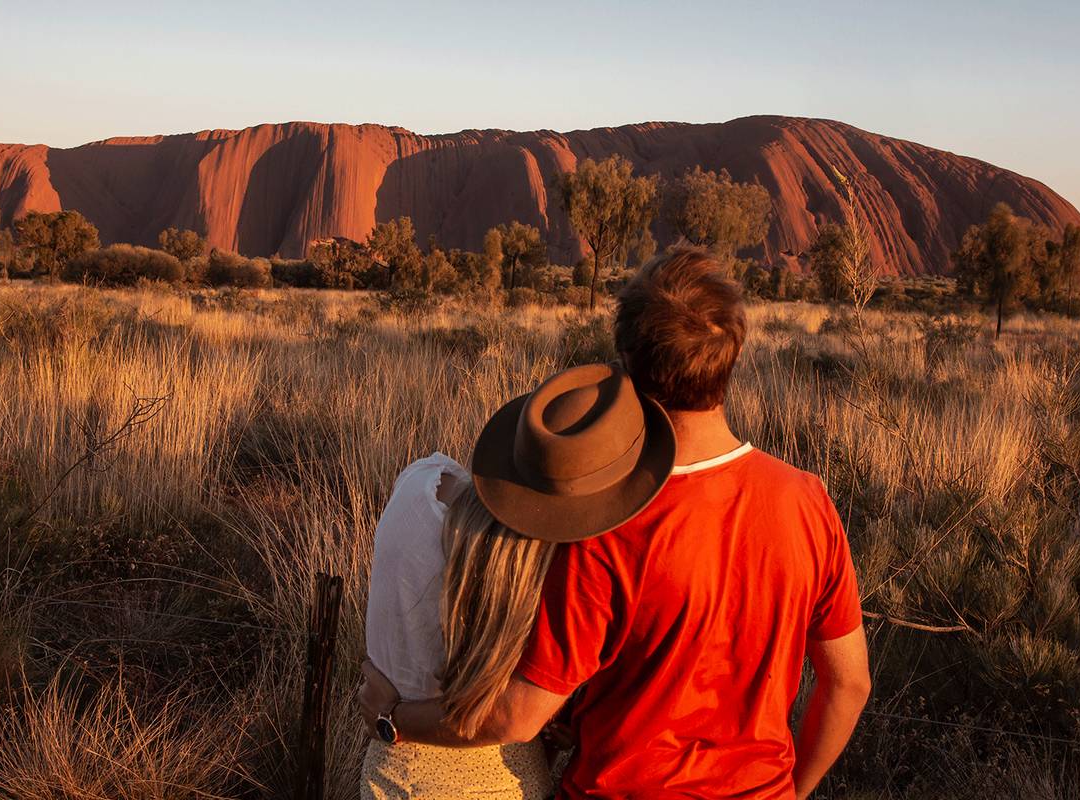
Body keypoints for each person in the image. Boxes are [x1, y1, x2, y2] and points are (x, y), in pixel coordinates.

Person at [361, 248, 871, 799]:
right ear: (733, 354)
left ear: (626, 363)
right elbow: (849, 683)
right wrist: (794, 791)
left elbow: (521, 716)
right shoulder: (808, 501)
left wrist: (396, 718)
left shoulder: (606, 528)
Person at [362, 362, 677, 798]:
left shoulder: (418, 482)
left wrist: (390, 716)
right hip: (508, 779)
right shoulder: (552, 576)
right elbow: (521, 714)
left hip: (394, 770)